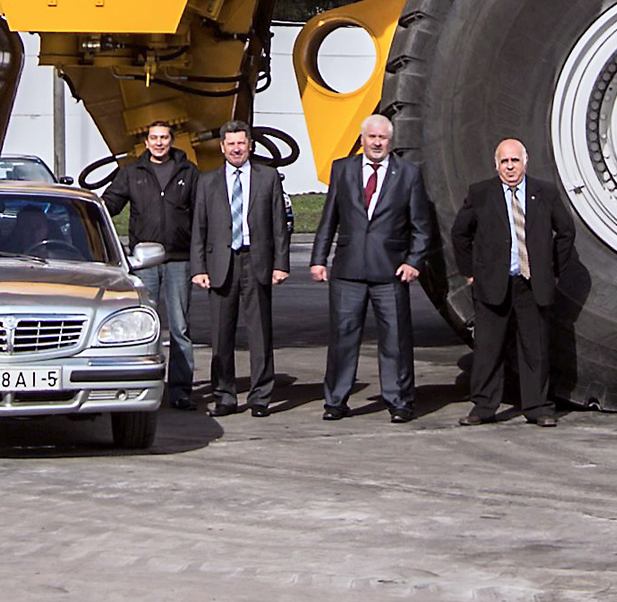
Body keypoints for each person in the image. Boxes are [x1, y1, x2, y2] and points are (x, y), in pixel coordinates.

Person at [307, 113, 438, 422]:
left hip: (390, 273)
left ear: (390, 142)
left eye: (383, 138)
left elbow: (422, 226)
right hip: (348, 272)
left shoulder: (408, 174)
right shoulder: (343, 169)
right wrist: (318, 259)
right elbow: (330, 219)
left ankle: (399, 401)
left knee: (395, 341)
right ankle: (336, 400)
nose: (377, 143)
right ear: (362, 139)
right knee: (343, 338)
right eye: (372, 137)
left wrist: (413, 261)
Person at [450, 138, 576, 426]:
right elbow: (460, 234)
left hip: (531, 284)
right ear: (496, 165)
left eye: (515, 160)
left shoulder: (544, 192)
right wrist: (471, 272)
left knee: (535, 349)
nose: (510, 167)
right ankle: (483, 408)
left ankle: (538, 408)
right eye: (504, 162)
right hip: (493, 284)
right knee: (488, 349)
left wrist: (553, 270)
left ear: (525, 162)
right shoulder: (481, 193)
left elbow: (566, 232)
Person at [187, 121, 290, 416]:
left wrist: (280, 264)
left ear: (250, 145)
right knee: (221, 336)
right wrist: (199, 268)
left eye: (241, 143)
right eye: (230, 144)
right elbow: (199, 229)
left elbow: (278, 225)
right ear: (222, 147)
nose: (236, 149)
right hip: (221, 264)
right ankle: (225, 396)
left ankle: (260, 397)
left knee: (260, 334)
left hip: (256, 261)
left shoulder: (268, 178)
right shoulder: (207, 182)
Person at [99, 119, 199, 406]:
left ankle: (180, 393)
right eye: (154, 138)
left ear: (172, 141)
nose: (159, 142)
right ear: (146, 143)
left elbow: (200, 214)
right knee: (142, 327)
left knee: (180, 328)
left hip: (179, 261)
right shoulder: (132, 173)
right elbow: (110, 204)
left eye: (164, 138)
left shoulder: (188, 172)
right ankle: (145, 389)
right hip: (144, 263)